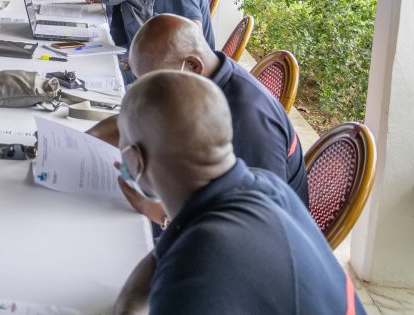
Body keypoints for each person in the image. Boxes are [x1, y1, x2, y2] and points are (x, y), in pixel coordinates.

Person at [111, 70, 364, 315]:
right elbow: (165, 254)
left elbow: (192, 260)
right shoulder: (263, 184)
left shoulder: (205, 259)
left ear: (136, 160)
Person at [89, 14, 309, 217]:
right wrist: (83, 140)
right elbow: (139, 117)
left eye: (156, 82)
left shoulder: (249, 120)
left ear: (193, 65)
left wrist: (163, 215)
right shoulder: (202, 80)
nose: (148, 92)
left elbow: (258, 218)